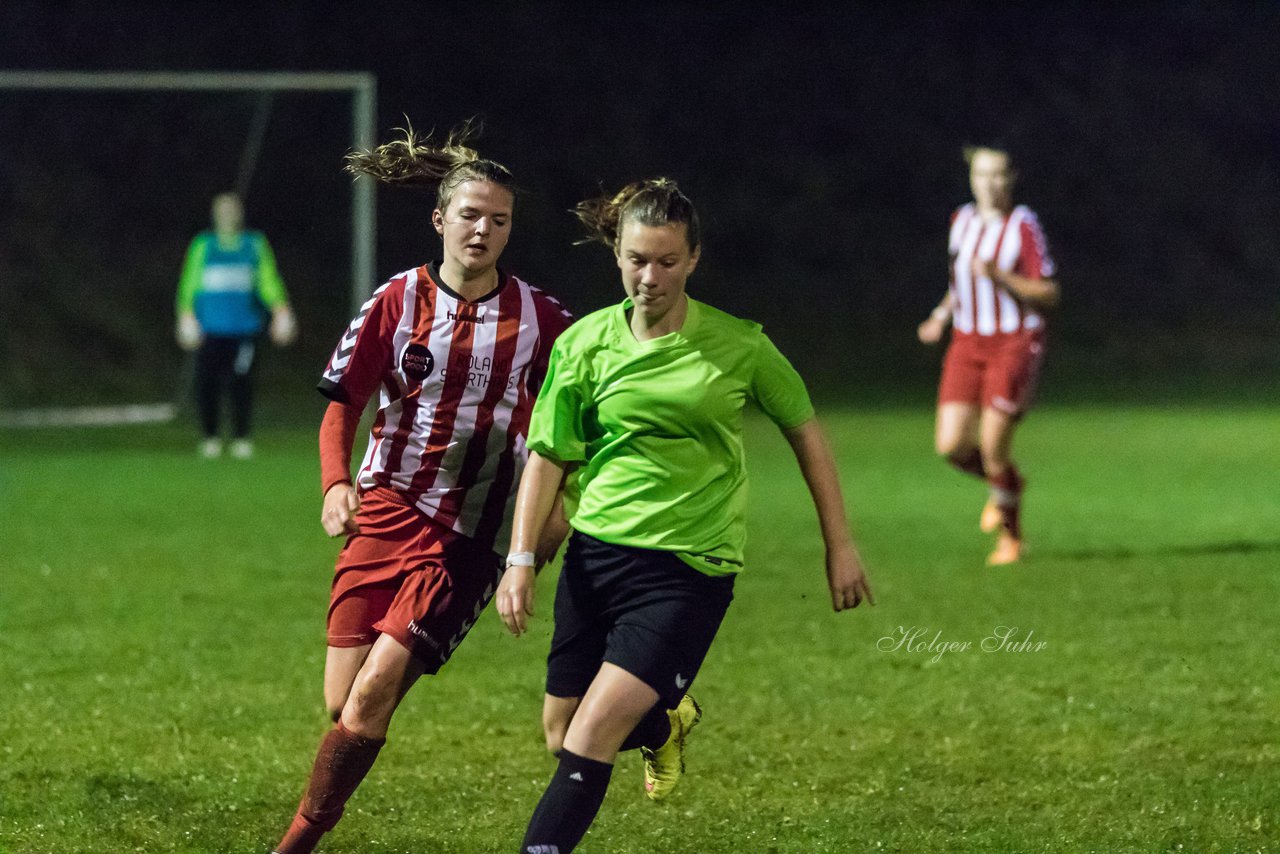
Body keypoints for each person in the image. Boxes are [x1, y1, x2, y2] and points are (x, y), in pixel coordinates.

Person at [496, 178, 874, 854]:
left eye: (668, 261)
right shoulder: (583, 345)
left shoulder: (739, 345)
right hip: (595, 557)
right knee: (560, 731)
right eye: (638, 259)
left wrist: (839, 545)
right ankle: (663, 725)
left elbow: (806, 430)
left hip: (688, 569)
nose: (651, 276)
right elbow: (549, 456)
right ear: (616, 253)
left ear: (694, 259)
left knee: (588, 738)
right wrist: (521, 559)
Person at [271, 123, 573, 854]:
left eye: (499, 220)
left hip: (470, 536)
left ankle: (291, 848)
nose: (484, 230)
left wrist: (543, 530)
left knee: (372, 696)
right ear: (440, 219)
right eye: (471, 215)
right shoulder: (396, 301)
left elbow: (592, 397)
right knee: (344, 704)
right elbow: (345, 399)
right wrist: (335, 483)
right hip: (385, 510)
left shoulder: (543, 320)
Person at [917, 145, 1060, 565]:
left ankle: (1011, 540)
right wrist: (939, 317)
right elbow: (958, 282)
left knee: (992, 446)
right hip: (967, 342)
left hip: (1014, 341)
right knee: (950, 445)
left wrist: (999, 275)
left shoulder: (1023, 224)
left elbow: (1049, 291)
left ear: (1011, 178)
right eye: (982, 175)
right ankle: (1008, 486)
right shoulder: (960, 221)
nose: (990, 184)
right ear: (971, 178)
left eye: (998, 175)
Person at [175, 191, 297, 459]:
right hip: (210, 331)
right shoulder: (203, 245)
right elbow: (189, 284)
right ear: (214, 214)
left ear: (239, 213)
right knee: (207, 384)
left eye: (232, 209)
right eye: (222, 209)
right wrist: (185, 315)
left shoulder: (254, 245)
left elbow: (268, 280)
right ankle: (210, 437)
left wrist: (281, 310)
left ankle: (242, 437)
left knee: (241, 383)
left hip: (244, 331)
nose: (227, 214)